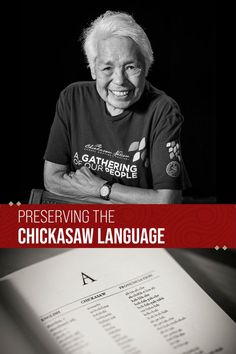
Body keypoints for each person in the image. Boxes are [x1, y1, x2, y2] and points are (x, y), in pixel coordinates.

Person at [44, 10, 191, 204]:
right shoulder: (72, 98)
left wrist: (101, 188)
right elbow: (52, 180)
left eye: (131, 67)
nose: (120, 80)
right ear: (93, 69)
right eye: (107, 68)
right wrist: (122, 200)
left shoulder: (163, 110)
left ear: (146, 68)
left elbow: (167, 201)